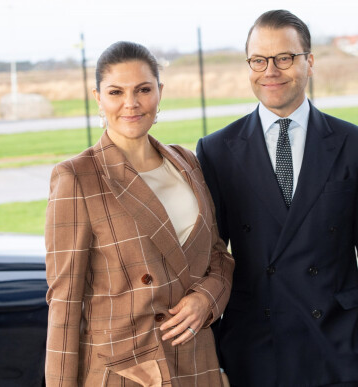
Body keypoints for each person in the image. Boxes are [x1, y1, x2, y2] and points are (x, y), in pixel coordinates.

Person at [196, 9, 358, 387]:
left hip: (336, 348)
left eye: (284, 58)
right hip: (252, 348)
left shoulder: (357, 146)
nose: (270, 70)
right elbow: (208, 258)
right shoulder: (216, 150)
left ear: (309, 62)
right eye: (259, 60)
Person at [44, 41, 234, 387]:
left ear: (159, 92)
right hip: (126, 372)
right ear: (97, 97)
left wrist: (206, 299)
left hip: (196, 359)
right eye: (116, 92)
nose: (131, 104)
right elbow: (64, 302)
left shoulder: (186, 162)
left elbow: (219, 256)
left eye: (143, 90)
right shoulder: (77, 176)